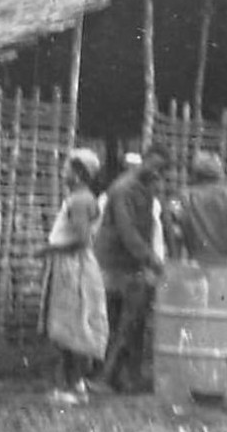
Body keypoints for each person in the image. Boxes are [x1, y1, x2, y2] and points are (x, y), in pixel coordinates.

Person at [92, 143, 169, 394]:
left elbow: (151, 226)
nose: (157, 173)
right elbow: (127, 231)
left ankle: (120, 379)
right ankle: (106, 379)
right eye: (154, 166)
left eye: (162, 170)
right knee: (125, 324)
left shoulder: (145, 189)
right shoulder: (124, 189)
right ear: (144, 160)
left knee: (127, 324)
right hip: (116, 265)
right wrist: (151, 259)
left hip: (129, 264)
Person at [37, 148, 108, 404]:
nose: (62, 171)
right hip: (72, 264)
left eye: (67, 167)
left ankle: (68, 387)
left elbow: (80, 239)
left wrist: (50, 248)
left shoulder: (79, 200)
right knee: (74, 323)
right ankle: (75, 384)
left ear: (78, 174)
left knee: (70, 325)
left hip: (72, 266)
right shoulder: (81, 198)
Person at [169, 150, 227, 265]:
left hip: (195, 266)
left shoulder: (181, 196)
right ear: (219, 173)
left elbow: (171, 222)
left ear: (195, 174)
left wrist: (175, 259)